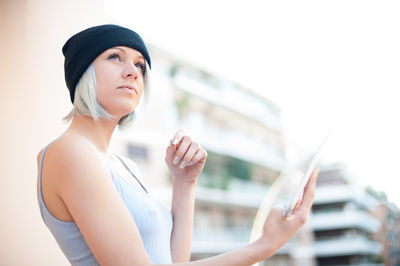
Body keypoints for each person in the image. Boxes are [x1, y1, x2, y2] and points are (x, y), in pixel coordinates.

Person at [37, 24, 320, 266]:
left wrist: (185, 183)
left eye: (139, 64)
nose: (133, 72)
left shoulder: (125, 166)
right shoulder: (69, 151)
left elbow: (171, 262)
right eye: (115, 57)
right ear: (82, 72)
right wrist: (263, 247)